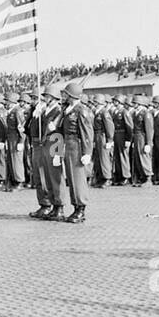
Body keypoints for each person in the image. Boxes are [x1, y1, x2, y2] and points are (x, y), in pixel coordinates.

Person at [26, 82, 64, 220]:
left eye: (46, 96)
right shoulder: (43, 110)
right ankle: (45, 204)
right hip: (42, 144)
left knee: (54, 176)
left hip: (54, 143)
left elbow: (58, 131)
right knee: (41, 176)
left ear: (53, 97)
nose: (44, 99)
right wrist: (35, 114)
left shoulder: (58, 111)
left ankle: (58, 205)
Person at [60, 80, 94, 223]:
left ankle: (81, 208)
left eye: (66, 94)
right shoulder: (68, 109)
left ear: (72, 96)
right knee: (71, 178)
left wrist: (87, 152)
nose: (64, 97)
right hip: (68, 144)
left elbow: (87, 132)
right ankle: (75, 206)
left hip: (77, 146)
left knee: (78, 179)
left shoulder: (81, 110)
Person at [130, 94, 153, 186]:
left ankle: (148, 178)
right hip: (136, 137)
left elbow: (149, 129)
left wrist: (148, 143)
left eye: (135, 103)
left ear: (139, 103)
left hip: (142, 137)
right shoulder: (136, 113)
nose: (133, 105)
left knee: (144, 157)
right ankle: (142, 177)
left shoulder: (146, 113)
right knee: (138, 158)